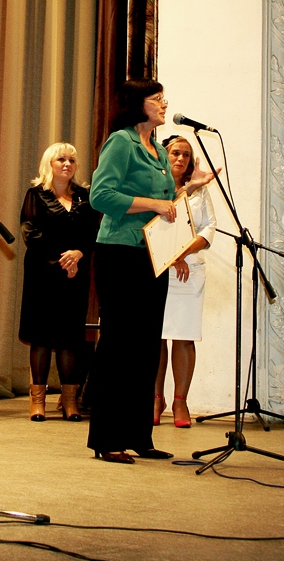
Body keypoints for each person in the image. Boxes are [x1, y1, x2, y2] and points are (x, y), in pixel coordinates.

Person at [86, 81, 180, 463]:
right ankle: (107, 439)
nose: (164, 104)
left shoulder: (159, 150)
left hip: (153, 256)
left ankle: (140, 435)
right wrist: (153, 204)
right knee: (119, 344)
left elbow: (166, 205)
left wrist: (186, 191)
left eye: (163, 98)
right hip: (119, 253)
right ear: (136, 104)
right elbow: (100, 195)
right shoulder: (121, 142)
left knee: (146, 346)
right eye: (157, 99)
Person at [18, 142, 100, 422]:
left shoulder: (85, 197)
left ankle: (69, 402)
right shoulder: (35, 194)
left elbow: (92, 233)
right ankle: (37, 402)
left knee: (70, 338)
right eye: (61, 159)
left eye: (72, 160)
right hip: (43, 274)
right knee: (41, 337)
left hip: (75, 276)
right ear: (49, 164)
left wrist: (78, 254)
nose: (67, 164)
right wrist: (63, 259)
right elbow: (31, 233)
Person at [154, 135, 216, 428]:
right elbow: (154, 224)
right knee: (156, 337)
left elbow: (209, 227)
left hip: (190, 271)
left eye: (186, 155)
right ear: (164, 155)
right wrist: (171, 255)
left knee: (183, 336)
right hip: (159, 267)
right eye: (175, 153)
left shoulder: (199, 190)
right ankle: (155, 399)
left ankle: (180, 401)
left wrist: (182, 253)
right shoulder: (155, 186)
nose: (180, 158)